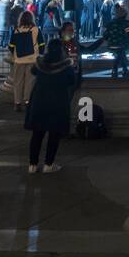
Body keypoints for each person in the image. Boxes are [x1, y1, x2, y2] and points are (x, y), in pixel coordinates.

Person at [24, 39, 77, 174]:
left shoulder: (40, 63)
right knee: (54, 134)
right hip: (57, 103)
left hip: (39, 102)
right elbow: (72, 81)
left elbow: (33, 71)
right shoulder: (66, 66)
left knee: (37, 134)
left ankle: (32, 165)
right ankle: (48, 164)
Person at [9, 11, 42, 110]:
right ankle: (28, 101)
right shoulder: (36, 30)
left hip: (19, 60)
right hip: (32, 59)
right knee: (30, 82)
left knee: (18, 82)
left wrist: (15, 54)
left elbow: (11, 46)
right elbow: (42, 45)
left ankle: (17, 103)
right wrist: (39, 55)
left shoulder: (16, 30)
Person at [104, 4, 129, 79]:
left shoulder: (110, 23)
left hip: (111, 44)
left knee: (121, 54)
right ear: (125, 15)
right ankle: (119, 69)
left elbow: (105, 35)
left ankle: (120, 69)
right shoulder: (125, 24)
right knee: (121, 53)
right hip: (121, 44)